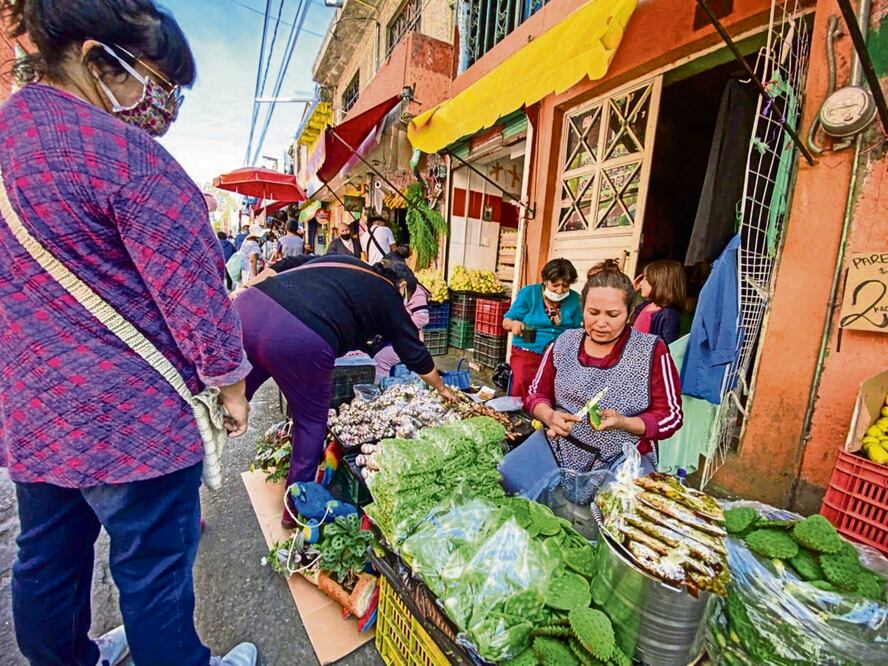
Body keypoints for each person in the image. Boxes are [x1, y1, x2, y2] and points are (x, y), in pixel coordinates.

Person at [0, 2, 256, 665]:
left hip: (33, 412)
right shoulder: (126, 155)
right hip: (132, 419)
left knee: (47, 560)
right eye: (158, 81)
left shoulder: (8, 139)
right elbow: (194, 292)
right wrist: (230, 385)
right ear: (95, 58)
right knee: (154, 575)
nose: (165, 105)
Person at [232, 255, 458, 526]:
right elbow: (413, 352)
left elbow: (287, 263)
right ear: (400, 286)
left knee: (227, 402)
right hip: (298, 335)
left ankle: (187, 468)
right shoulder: (388, 294)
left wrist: (250, 287)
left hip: (249, 308)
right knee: (311, 422)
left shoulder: (344, 262)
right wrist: (443, 388)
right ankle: (296, 508)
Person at [517, 264, 684, 503]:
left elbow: (671, 416)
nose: (601, 323)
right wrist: (547, 415)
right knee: (518, 492)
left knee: (613, 524)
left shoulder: (651, 351)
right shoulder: (564, 343)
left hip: (619, 460)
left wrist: (625, 423)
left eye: (612, 315)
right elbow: (535, 393)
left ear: (629, 313)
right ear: (582, 308)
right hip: (557, 451)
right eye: (593, 312)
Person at [502, 258, 583, 398]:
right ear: (545, 280)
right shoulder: (529, 294)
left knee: (553, 390)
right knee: (522, 381)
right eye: (555, 285)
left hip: (559, 355)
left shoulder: (576, 300)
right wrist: (514, 324)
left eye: (565, 285)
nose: (560, 290)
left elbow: (578, 331)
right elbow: (506, 321)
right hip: (528, 351)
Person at [373, 259, 431, 381]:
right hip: (393, 338)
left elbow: (422, 318)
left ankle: (381, 392)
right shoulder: (391, 291)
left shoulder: (416, 292)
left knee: (381, 360)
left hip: (408, 339)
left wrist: (397, 326)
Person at [631, 259, 686, 344]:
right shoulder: (646, 306)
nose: (641, 283)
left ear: (660, 282)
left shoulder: (669, 315)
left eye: (646, 279)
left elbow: (668, 349)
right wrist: (631, 293)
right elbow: (626, 315)